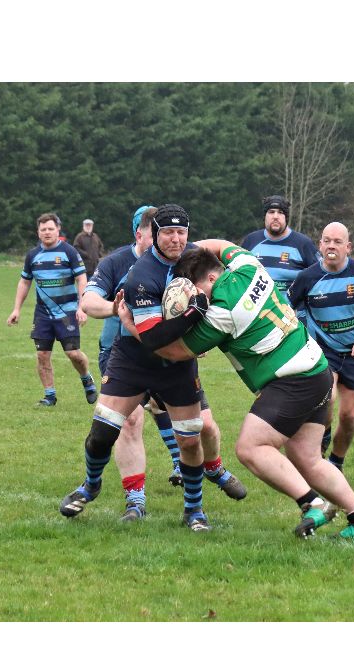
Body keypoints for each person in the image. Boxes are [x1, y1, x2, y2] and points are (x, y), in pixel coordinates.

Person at [140, 242, 354, 539]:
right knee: (307, 458)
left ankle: (312, 503)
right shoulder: (248, 266)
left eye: (197, 290)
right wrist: (193, 248)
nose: (196, 298)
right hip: (317, 370)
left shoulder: (222, 312)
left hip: (293, 380)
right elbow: (223, 245)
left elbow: (175, 351)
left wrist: (134, 323)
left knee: (250, 447)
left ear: (212, 278)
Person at [58, 204, 246, 531]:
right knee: (102, 433)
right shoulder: (141, 274)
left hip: (178, 365)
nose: (175, 239)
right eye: (168, 232)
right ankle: (91, 485)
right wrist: (193, 313)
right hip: (134, 360)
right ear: (151, 234)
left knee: (191, 439)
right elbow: (154, 338)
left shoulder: (196, 257)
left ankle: (194, 510)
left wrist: (201, 333)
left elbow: (222, 279)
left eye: (181, 232)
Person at [80, 205, 189, 518]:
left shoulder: (180, 261)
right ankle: (135, 498)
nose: (164, 239)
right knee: (130, 420)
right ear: (138, 234)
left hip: (166, 352)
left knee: (170, 411)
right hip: (122, 353)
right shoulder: (116, 262)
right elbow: (88, 301)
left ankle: (185, 467)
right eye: (153, 231)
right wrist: (116, 309)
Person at [287, 221, 354, 470]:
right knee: (327, 400)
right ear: (320, 245)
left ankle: (336, 462)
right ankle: (323, 438)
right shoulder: (306, 278)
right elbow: (285, 309)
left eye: (337, 242)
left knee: (349, 415)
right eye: (327, 241)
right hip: (323, 351)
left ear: (348, 247)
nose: (331, 246)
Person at [6, 212, 97, 407]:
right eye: (43, 229)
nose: (47, 232)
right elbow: (24, 282)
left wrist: (82, 307)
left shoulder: (69, 252)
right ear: (38, 232)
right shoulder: (32, 255)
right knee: (42, 355)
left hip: (67, 313)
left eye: (50, 229)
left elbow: (82, 279)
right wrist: (16, 309)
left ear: (58, 230)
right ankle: (49, 396)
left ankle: (86, 378)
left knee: (73, 354)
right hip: (43, 314)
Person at [241, 195, 320, 295]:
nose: (275, 216)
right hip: (255, 304)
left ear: (286, 218)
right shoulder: (250, 241)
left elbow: (320, 276)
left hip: (291, 305)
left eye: (280, 212)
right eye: (271, 212)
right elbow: (237, 275)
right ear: (265, 216)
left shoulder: (303, 244)